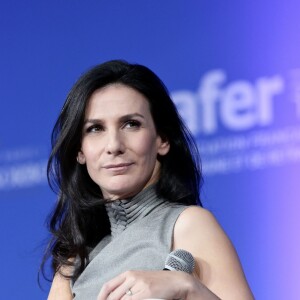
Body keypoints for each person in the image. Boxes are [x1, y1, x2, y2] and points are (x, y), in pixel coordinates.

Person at [43, 60, 254, 299]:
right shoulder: (74, 260)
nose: (114, 145)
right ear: (80, 151)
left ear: (162, 139)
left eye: (131, 124)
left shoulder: (187, 225)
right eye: (95, 129)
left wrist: (188, 289)